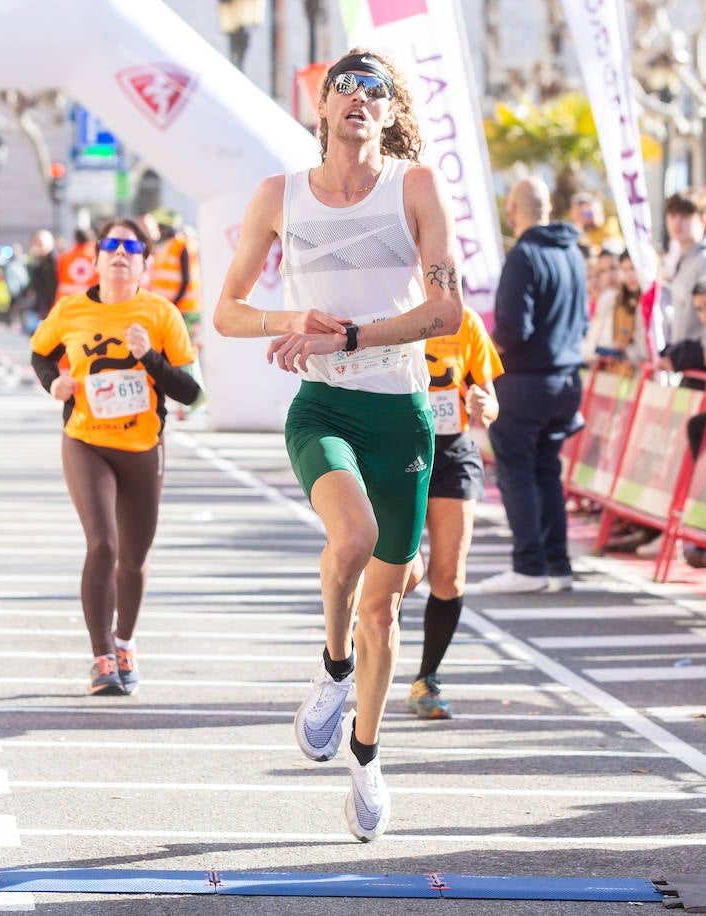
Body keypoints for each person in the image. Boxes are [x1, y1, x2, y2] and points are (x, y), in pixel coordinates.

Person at [211, 48, 463, 843]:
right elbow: (225, 311)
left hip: (403, 415)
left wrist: (352, 332)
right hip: (324, 409)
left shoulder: (414, 188)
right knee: (350, 537)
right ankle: (330, 670)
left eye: (374, 89)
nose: (358, 97)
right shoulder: (279, 196)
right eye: (343, 87)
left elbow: (446, 314)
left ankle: (366, 756)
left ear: (389, 114)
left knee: (385, 609)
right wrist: (292, 322)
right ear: (320, 109)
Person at [29, 219, 201, 696]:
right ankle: (102, 656)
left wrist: (150, 359)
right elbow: (41, 355)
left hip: (144, 447)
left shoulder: (161, 314)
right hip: (85, 439)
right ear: (97, 257)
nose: (120, 253)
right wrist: (53, 383)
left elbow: (193, 393)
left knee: (134, 555)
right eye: (111, 245)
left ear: (146, 264)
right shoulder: (70, 311)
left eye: (131, 247)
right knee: (103, 544)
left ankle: (125, 641)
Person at [480, 176, 588, 594]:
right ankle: (557, 565)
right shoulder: (573, 254)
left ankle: (529, 564)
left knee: (519, 472)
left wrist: (485, 355)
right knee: (546, 471)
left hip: (525, 382)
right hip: (565, 379)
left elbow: (511, 328)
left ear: (512, 211)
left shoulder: (524, 255)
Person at [402, 305, 503, 718]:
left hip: (453, 453)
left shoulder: (467, 321)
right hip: (400, 450)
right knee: (407, 574)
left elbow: (490, 404)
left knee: (449, 575)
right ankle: (352, 649)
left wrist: (484, 406)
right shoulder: (392, 310)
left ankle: (427, 681)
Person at [661, 191, 706, 348]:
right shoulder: (682, 260)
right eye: (672, 215)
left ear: (703, 219)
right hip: (684, 359)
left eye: (685, 216)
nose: (677, 222)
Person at [581, 250, 659, 374]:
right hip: (610, 374)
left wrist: (627, 352)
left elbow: (649, 349)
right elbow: (591, 345)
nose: (629, 276)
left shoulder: (650, 302)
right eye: (625, 270)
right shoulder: (608, 300)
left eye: (633, 269)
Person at [148, 208, 203, 332]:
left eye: (159, 227)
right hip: (169, 307)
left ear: (165, 227)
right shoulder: (165, 246)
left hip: (183, 309)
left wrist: (174, 304)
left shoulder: (182, 245)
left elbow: (186, 278)